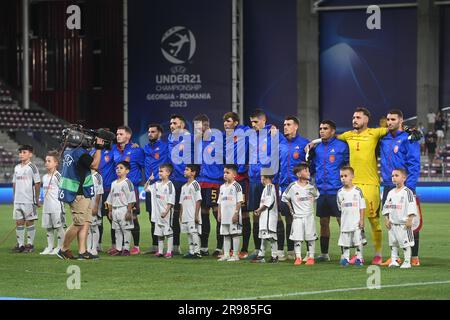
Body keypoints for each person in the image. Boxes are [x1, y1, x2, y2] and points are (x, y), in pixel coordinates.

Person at [380, 109, 421, 266]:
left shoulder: (410, 138)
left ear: (401, 121)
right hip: (389, 185)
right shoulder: (383, 139)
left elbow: (414, 163)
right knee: (391, 222)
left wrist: (408, 187)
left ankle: (414, 257)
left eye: (393, 119)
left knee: (410, 222)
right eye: (388, 119)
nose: (389, 122)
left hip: (405, 186)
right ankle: (395, 256)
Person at [310, 120, 349, 262]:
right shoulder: (317, 148)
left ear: (332, 131)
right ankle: (324, 254)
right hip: (322, 190)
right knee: (323, 222)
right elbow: (313, 166)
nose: (322, 131)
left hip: (338, 191)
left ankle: (345, 254)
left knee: (342, 222)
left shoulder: (342, 146)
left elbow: (348, 165)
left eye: (325, 128)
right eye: (320, 128)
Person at [57, 138, 102, 260]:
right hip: (78, 192)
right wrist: (98, 148)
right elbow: (95, 165)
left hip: (83, 190)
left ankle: (83, 251)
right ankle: (63, 249)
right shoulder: (79, 152)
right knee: (78, 223)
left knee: (86, 222)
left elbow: (87, 162)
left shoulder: (70, 150)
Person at [278, 116, 310, 261]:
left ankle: (292, 251)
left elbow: (310, 165)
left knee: (293, 219)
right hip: (282, 186)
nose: (285, 127)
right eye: (284, 124)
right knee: (278, 217)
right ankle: (279, 250)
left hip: (297, 189)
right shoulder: (280, 144)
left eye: (288, 124)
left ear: (296, 127)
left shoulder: (304, 144)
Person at [247, 109, 276, 260]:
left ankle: (278, 251)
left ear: (264, 121)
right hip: (253, 180)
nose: (253, 125)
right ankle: (258, 249)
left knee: (273, 215)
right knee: (255, 215)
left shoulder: (273, 134)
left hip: (268, 181)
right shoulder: (250, 136)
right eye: (251, 122)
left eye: (256, 121)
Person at [194, 114, 224, 257]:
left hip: (215, 182)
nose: (198, 130)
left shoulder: (219, 139)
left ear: (207, 125)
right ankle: (204, 247)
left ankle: (220, 247)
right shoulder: (197, 142)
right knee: (203, 213)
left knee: (217, 213)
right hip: (201, 182)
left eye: (200, 127)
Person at [112, 125, 145, 255]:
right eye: (117, 134)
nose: (118, 136)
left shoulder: (137, 150)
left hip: (132, 189)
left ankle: (136, 246)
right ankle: (120, 247)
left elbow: (144, 166)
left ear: (128, 136)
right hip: (117, 189)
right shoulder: (114, 149)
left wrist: (146, 182)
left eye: (120, 134)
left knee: (133, 216)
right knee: (118, 218)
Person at [223, 112, 251, 258]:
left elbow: (257, 128)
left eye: (228, 121)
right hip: (230, 179)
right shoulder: (225, 137)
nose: (225, 124)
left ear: (236, 122)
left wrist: (270, 127)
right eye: (224, 121)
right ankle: (229, 249)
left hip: (242, 179)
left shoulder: (244, 131)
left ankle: (244, 249)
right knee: (229, 212)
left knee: (244, 212)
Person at [281, 163, 319, 266]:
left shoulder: (311, 187)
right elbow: (284, 197)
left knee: (310, 237)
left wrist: (312, 200)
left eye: (308, 170)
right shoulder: (292, 186)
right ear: (298, 174)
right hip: (297, 217)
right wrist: (291, 209)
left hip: (309, 216)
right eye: (306, 171)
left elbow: (316, 196)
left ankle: (311, 257)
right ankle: (298, 257)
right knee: (297, 238)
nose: (308, 172)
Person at [382, 168, 417, 269]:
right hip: (392, 224)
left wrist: (410, 219)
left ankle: (407, 261)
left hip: (404, 224)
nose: (394, 178)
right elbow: (386, 207)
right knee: (393, 243)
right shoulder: (391, 192)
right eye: (392, 176)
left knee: (405, 243)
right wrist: (386, 218)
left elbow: (411, 205)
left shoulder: (407, 192)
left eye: (396, 175)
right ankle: (394, 260)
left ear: (404, 178)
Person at [89, 129, 116, 253]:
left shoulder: (113, 150)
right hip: (95, 187)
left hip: (108, 189)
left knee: (111, 219)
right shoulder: (93, 151)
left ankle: (115, 244)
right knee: (96, 221)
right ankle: (97, 244)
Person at [143, 123, 169, 254]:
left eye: (153, 132)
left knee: (166, 216)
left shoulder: (166, 147)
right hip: (151, 186)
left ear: (159, 133)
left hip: (162, 186)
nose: (150, 134)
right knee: (151, 216)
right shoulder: (145, 148)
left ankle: (172, 247)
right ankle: (155, 247)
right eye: (149, 131)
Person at [12, 145, 41, 253]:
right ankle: (20, 245)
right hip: (18, 200)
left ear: (30, 154)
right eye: (20, 152)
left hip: (28, 200)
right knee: (19, 222)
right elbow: (14, 183)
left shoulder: (32, 167)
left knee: (29, 222)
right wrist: (14, 196)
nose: (21, 154)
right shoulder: (16, 167)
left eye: (24, 152)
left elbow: (37, 183)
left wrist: (36, 199)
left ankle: (30, 244)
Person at [168, 114, 191, 255]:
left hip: (188, 182)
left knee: (192, 214)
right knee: (175, 214)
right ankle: (176, 246)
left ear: (182, 125)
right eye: (171, 123)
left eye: (175, 123)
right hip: (175, 181)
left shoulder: (190, 138)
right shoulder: (171, 138)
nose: (171, 125)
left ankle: (197, 247)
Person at [144, 163, 175, 258]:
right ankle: (160, 251)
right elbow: (145, 189)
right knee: (159, 233)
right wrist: (149, 179)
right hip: (157, 214)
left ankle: (169, 251)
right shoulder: (156, 184)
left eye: (162, 171)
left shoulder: (170, 185)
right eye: (159, 171)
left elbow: (171, 200)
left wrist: (166, 212)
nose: (160, 173)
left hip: (166, 214)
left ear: (168, 173)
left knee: (168, 232)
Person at [336, 166, 365, 267]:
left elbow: (362, 206)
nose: (343, 178)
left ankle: (359, 258)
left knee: (358, 241)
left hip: (356, 222)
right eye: (341, 176)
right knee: (345, 242)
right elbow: (340, 207)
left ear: (352, 176)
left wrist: (361, 220)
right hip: (345, 222)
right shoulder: (340, 192)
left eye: (345, 176)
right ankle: (345, 258)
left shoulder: (357, 191)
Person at [106, 161, 136, 256]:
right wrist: (110, 210)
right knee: (117, 230)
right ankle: (118, 249)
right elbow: (110, 198)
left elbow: (131, 198)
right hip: (115, 209)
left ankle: (126, 249)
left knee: (126, 229)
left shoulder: (128, 183)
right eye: (117, 168)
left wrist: (129, 211)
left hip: (124, 209)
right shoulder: (113, 183)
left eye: (121, 168)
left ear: (127, 171)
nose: (118, 169)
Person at [217, 164, 243, 262]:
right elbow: (219, 202)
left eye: (228, 173)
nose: (225, 174)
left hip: (233, 215)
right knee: (226, 235)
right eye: (224, 172)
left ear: (234, 175)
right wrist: (219, 214)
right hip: (224, 215)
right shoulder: (222, 187)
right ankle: (226, 254)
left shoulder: (237, 186)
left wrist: (236, 213)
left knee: (235, 234)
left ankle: (235, 255)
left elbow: (239, 201)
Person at [40, 150, 65, 255]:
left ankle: (60, 247)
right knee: (48, 228)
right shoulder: (45, 177)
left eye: (49, 161)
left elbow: (63, 189)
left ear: (56, 163)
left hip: (56, 207)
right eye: (46, 161)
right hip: (46, 207)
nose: (46, 163)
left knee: (59, 227)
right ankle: (50, 247)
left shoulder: (58, 176)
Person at [251, 172, 279, 263]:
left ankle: (274, 256)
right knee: (263, 236)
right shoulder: (267, 188)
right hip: (265, 217)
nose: (261, 180)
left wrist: (258, 210)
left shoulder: (269, 187)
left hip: (269, 217)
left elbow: (268, 202)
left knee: (271, 237)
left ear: (266, 178)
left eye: (262, 178)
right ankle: (261, 256)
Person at [179, 164, 202, 259]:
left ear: (193, 173)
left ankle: (197, 252)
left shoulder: (195, 184)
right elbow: (181, 202)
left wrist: (196, 215)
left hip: (193, 214)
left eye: (187, 169)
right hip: (185, 215)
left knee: (194, 232)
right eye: (185, 169)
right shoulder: (183, 187)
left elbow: (198, 200)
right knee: (189, 233)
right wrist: (180, 215)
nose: (184, 171)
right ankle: (191, 251)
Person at [86, 170, 103, 257]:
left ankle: (94, 248)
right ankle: (88, 248)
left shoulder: (97, 176)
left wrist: (96, 206)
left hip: (94, 205)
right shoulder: (85, 173)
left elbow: (99, 192)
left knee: (94, 226)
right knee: (87, 227)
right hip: (85, 205)